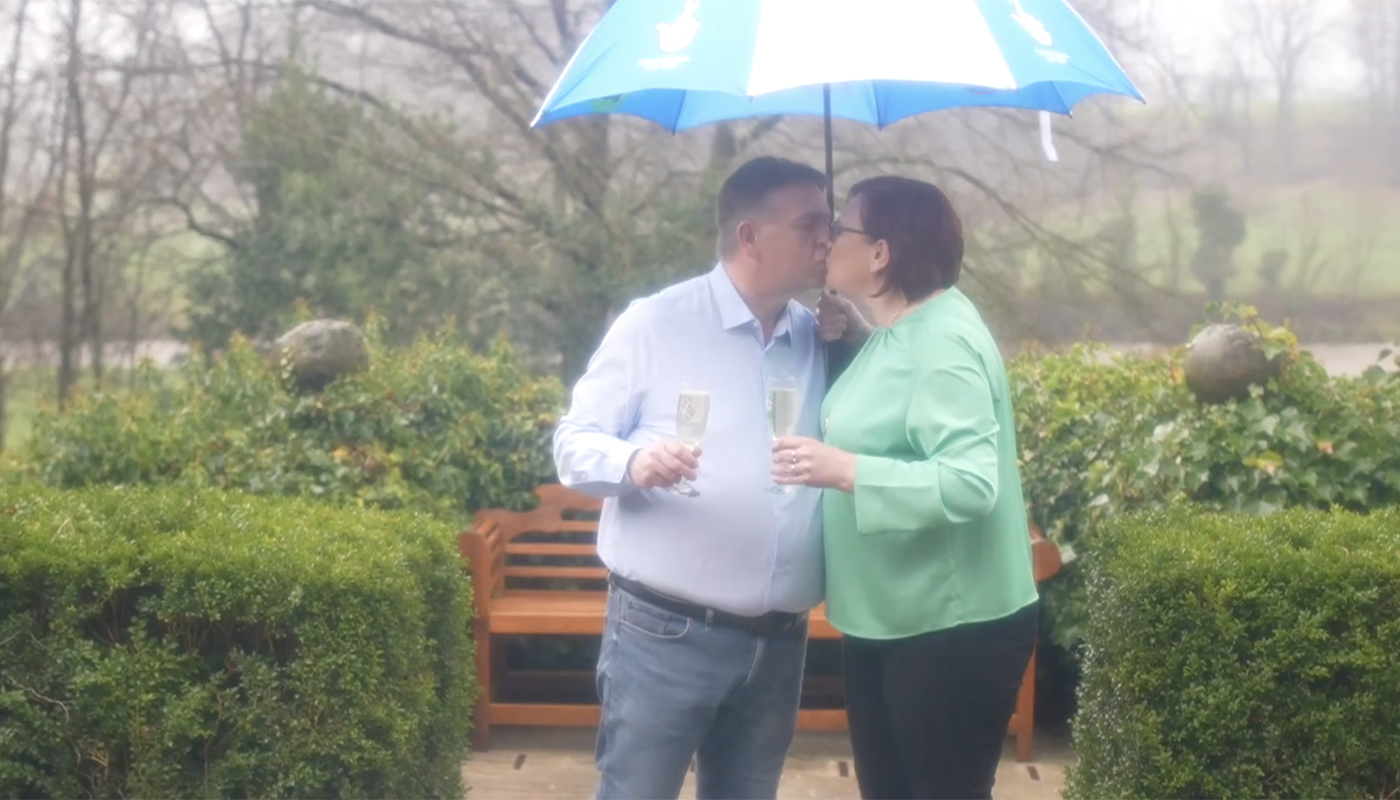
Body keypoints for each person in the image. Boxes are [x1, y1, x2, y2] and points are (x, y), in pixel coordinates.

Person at [553, 155, 833, 800]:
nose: (827, 239)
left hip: (780, 642)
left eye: (831, 223)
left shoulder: (820, 336)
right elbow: (574, 443)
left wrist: (854, 335)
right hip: (663, 634)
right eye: (810, 223)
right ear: (749, 236)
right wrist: (632, 463)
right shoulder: (655, 323)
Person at [772, 175, 1040, 800]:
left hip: (949, 627)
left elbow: (972, 483)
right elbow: (901, 407)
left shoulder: (943, 342)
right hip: (892, 617)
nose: (827, 240)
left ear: (881, 252)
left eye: (840, 229)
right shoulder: (905, 329)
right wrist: (858, 340)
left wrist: (843, 469)